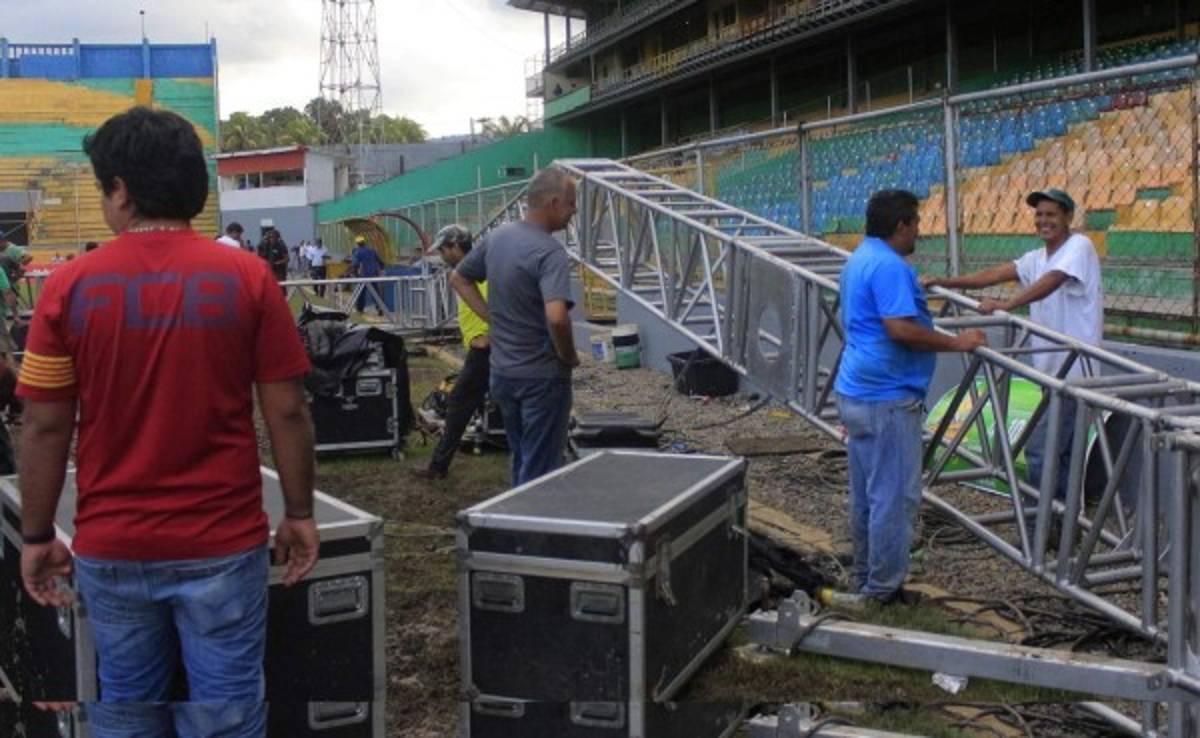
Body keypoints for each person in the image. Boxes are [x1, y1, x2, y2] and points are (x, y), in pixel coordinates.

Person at [15, 107, 319, 737]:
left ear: (121, 190)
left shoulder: (67, 288)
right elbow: (287, 410)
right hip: (224, 542)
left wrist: (38, 534)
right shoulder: (249, 277)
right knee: (228, 710)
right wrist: (299, 513)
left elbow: (44, 427)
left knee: (127, 706)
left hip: (113, 545)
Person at [835, 189, 987, 605]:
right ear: (901, 225)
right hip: (886, 397)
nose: (920, 230)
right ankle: (881, 591)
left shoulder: (860, 258)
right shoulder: (889, 266)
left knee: (867, 494)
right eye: (916, 222)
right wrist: (958, 342)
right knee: (893, 497)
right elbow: (900, 329)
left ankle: (865, 578)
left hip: (858, 390)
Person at [922, 188, 1102, 500]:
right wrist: (944, 281)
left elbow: (1052, 281)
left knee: (1040, 452)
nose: (1043, 220)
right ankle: (1061, 522)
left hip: (1074, 376)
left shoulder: (1079, 246)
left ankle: (1038, 523)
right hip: (1052, 375)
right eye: (1039, 215)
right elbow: (994, 274)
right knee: (1063, 456)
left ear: (1068, 218)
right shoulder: (1037, 258)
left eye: (1051, 214)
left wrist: (1008, 305)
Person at [452, 167, 579, 486]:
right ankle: (529, 518)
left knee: (522, 457)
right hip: (542, 378)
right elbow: (557, 316)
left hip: (504, 374)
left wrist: (492, 318)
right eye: (571, 203)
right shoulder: (550, 252)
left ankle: (515, 511)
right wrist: (568, 356)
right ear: (553, 203)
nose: (574, 210)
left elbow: (459, 278)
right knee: (540, 472)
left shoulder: (498, 237)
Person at [412, 225, 490, 481]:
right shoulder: (470, 269)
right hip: (482, 348)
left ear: (456, 246)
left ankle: (438, 466)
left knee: (459, 403)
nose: (442, 256)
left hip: (486, 349)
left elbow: (498, 305)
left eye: (444, 250)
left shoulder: (479, 271)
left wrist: (491, 336)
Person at [350, 234, 385, 314]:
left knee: (361, 293)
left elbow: (355, 265)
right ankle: (380, 308)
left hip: (363, 276)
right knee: (375, 293)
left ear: (357, 244)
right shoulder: (372, 250)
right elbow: (380, 262)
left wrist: (355, 274)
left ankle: (360, 309)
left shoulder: (357, 252)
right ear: (364, 242)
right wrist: (382, 270)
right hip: (373, 275)